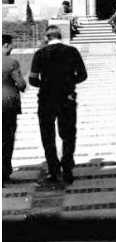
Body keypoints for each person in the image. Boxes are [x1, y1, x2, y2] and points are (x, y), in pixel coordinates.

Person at [28, 25, 87, 185]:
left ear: (47, 37)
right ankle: (67, 168)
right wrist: (68, 83)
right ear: (60, 36)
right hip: (67, 97)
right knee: (68, 133)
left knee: (48, 135)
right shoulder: (72, 51)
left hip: (47, 98)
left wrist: (47, 85)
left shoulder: (40, 54)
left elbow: (32, 79)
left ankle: (53, 170)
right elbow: (83, 75)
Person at [2, 33, 27, 184]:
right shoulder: (11, 62)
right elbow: (22, 84)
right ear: (6, 45)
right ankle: (4, 172)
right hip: (7, 106)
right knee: (7, 138)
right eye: (11, 45)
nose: (13, 48)